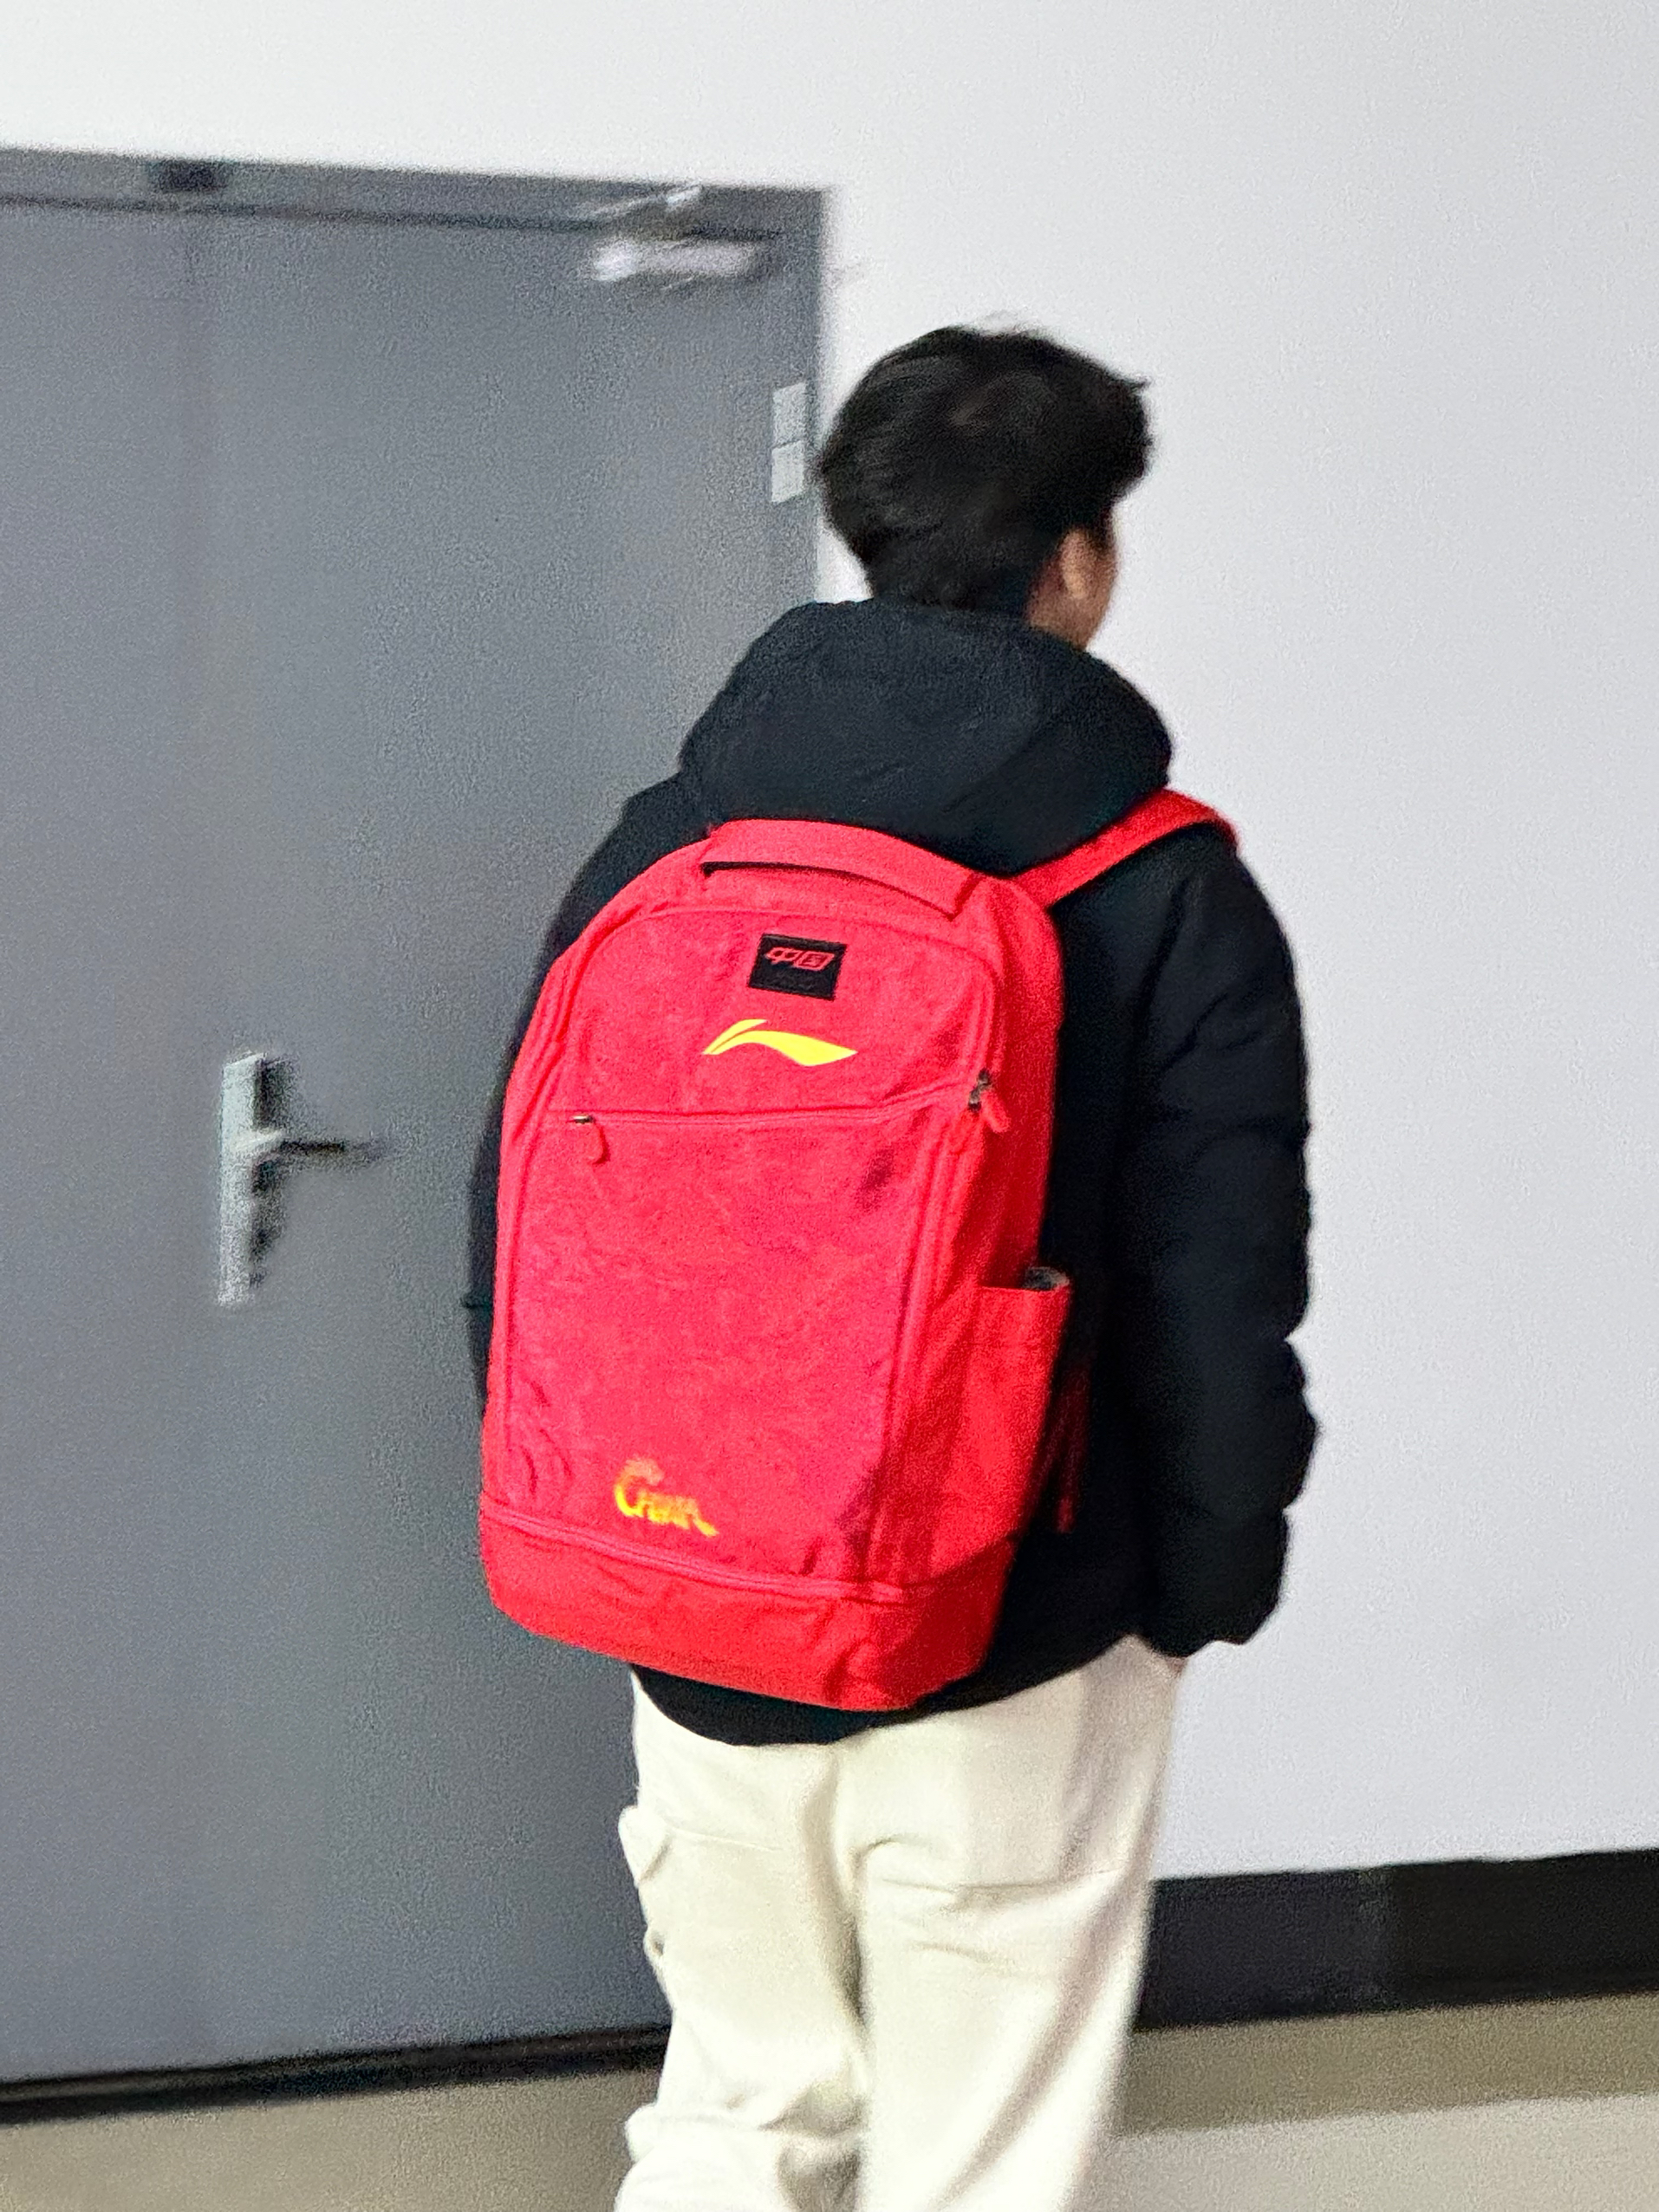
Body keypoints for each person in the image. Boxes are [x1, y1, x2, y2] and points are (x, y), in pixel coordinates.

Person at [465, 324, 1317, 2212]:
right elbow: (1219, 1280)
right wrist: (1204, 1578)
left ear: (867, 527)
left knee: (733, 2114)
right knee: (980, 2154)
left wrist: (607, 1517)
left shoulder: (669, 842)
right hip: (1021, 1609)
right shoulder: (1160, 880)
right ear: (1076, 557)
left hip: (696, 1593)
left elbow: (513, 1212)